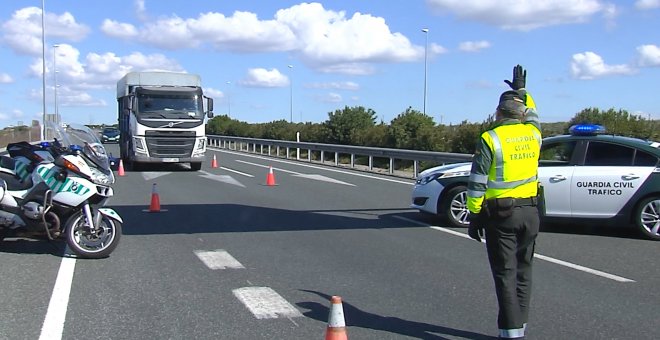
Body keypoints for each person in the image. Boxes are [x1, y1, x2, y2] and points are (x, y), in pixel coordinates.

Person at [467, 65, 542, 340]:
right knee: (524, 272)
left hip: (502, 216)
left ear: (498, 113)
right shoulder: (533, 133)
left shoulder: (491, 138)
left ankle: (511, 334)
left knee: (505, 274)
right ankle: (520, 326)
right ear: (521, 113)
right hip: (531, 213)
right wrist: (522, 90)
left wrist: (474, 216)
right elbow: (533, 112)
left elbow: (477, 183)